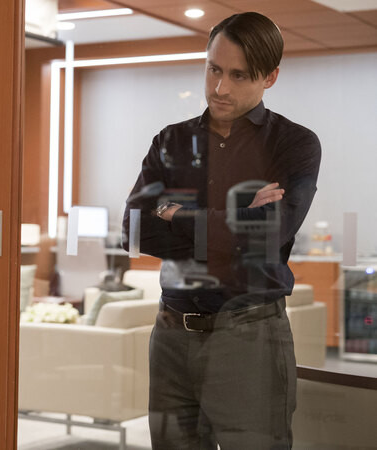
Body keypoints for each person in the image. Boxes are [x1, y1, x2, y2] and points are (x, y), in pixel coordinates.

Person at [122, 12, 321, 450]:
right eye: (213, 69)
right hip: (171, 336)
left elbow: (269, 234)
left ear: (270, 77)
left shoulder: (293, 144)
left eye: (238, 75)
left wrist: (176, 214)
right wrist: (237, 216)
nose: (220, 88)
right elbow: (135, 231)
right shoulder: (171, 142)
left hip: (249, 339)